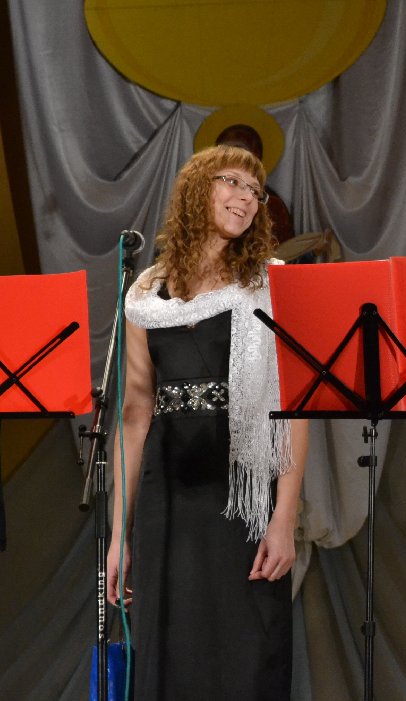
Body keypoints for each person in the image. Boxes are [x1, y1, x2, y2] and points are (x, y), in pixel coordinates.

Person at [106, 145, 308, 700]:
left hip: (242, 492)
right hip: (168, 492)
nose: (247, 197)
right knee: (170, 649)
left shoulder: (270, 284)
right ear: (198, 189)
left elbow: (294, 407)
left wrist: (285, 518)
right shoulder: (146, 292)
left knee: (247, 651)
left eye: (255, 190)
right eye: (233, 182)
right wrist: (120, 534)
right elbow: (135, 413)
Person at [215, 124, 295, 244]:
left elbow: (285, 248)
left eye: (242, 154)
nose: (233, 159)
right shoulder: (202, 196)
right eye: (225, 153)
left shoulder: (271, 205)